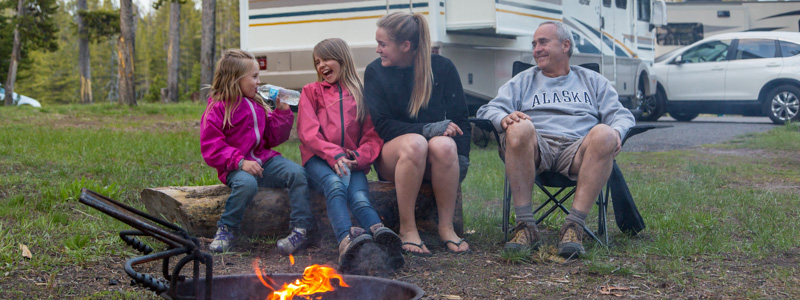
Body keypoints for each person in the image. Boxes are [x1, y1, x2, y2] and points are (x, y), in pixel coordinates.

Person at [476, 21, 635, 258]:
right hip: (536, 148)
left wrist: (617, 133)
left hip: (578, 151)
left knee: (604, 132)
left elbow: (622, 115)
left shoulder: (592, 80)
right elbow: (486, 110)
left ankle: (574, 227)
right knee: (519, 128)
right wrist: (504, 118)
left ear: (565, 45)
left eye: (543, 42)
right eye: (534, 44)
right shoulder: (523, 80)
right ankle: (525, 227)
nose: (536, 49)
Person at [364, 12, 472, 256]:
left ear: (405, 46)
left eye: (383, 44)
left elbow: (461, 119)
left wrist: (461, 158)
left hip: (435, 162)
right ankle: (408, 229)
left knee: (444, 145)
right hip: (395, 157)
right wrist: (427, 129)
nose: (377, 50)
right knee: (416, 144)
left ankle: (445, 227)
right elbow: (383, 126)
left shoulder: (442, 68)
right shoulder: (375, 72)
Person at [297, 38, 404, 270]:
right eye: (317, 62)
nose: (321, 66)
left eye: (326, 59)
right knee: (335, 186)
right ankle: (346, 241)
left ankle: (381, 235)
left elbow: (372, 135)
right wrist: (335, 155)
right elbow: (308, 133)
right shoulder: (311, 91)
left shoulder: (359, 94)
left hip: (351, 161)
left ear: (342, 59)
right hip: (318, 159)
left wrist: (358, 157)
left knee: (359, 197)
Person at [200, 49, 313, 254]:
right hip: (235, 166)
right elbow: (211, 146)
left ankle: (301, 229)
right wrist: (240, 162)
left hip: (263, 160)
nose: (259, 82)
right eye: (254, 76)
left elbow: (272, 138)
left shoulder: (257, 104)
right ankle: (227, 228)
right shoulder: (218, 108)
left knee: (297, 173)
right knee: (246, 184)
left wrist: (282, 113)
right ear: (235, 79)